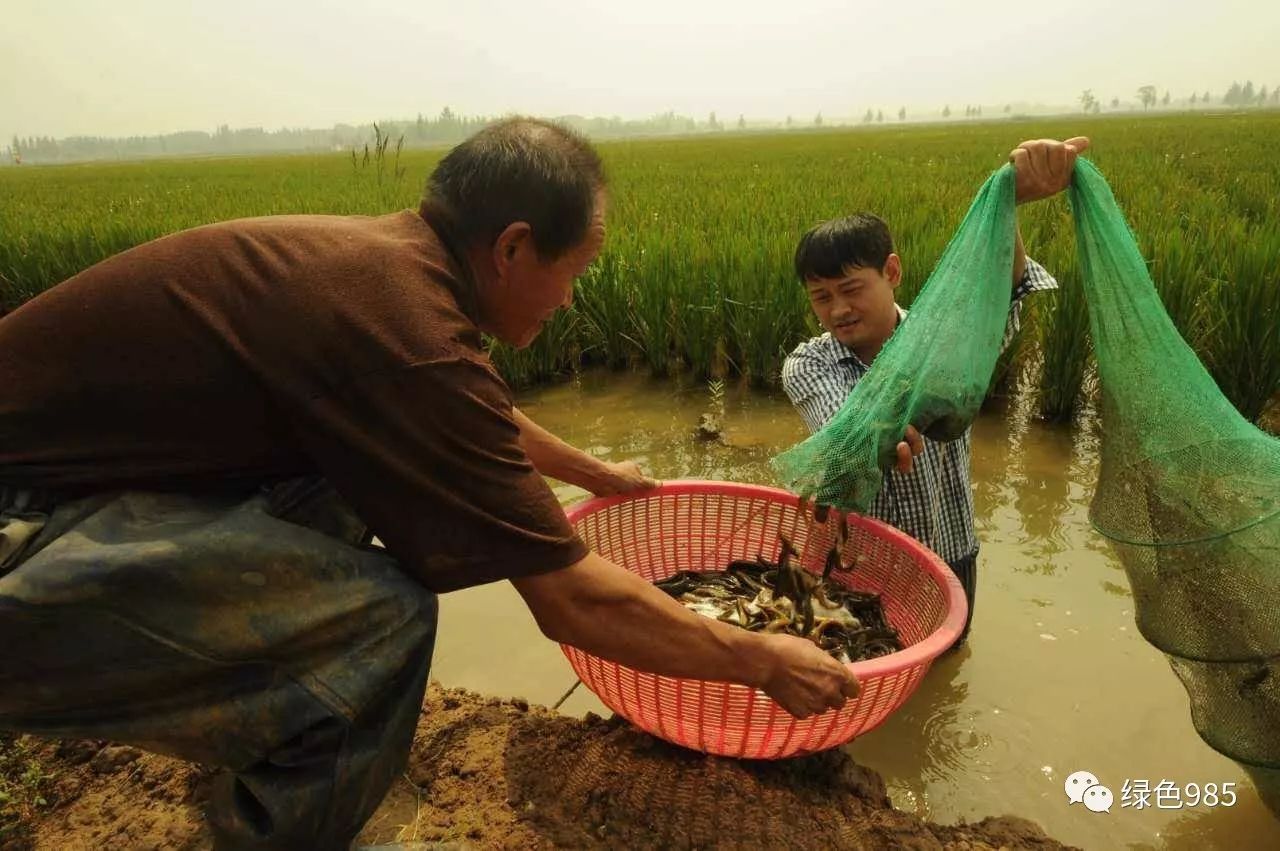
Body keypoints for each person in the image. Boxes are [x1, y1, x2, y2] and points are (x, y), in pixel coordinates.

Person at [0, 118, 859, 850]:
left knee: (343, 488)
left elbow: (460, 414)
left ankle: (268, 735)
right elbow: (573, 604)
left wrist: (594, 472)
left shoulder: (384, 272)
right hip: (22, 534)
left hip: (61, 497)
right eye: (577, 269)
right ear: (513, 247)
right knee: (389, 615)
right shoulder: (401, 326)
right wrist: (759, 659)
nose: (572, 298)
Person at [781, 137, 1089, 644]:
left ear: (892, 272)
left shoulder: (947, 344)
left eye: (852, 289)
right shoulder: (809, 364)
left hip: (951, 551)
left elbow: (1002, 293)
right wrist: (888, 430)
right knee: (866, 672)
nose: (838, 309)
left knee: (947, 670)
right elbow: (847, 431)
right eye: (821, 297)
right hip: (864, 565)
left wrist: (1005, 199)